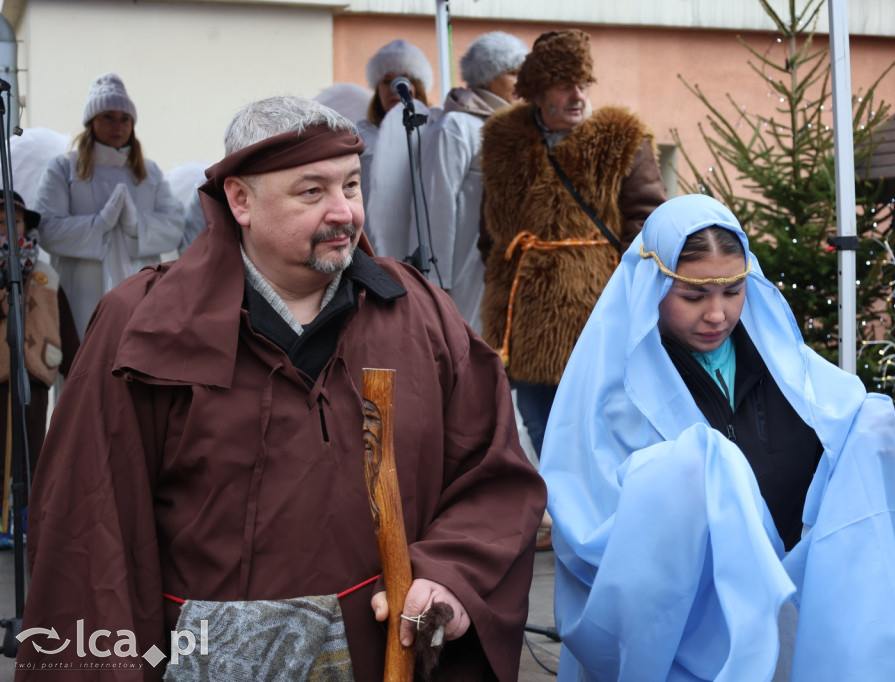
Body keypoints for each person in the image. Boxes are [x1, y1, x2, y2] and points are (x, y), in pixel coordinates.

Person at [17, 96, 546, 680]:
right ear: (240, 200)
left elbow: (492, 475)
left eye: (351, 185)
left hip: (381, 655)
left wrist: (450, 574)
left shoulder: (418, 313)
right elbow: (86, 532)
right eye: (312, 192)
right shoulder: (143, 326)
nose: (343, 212)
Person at [539, 194, 895, 680]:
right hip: (681, 629)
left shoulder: (779, 363)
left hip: (783, 616)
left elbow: (849, 430)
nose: (717, 315)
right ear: (653, 285)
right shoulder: (614, 390)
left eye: (733, 290)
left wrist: (887, 442)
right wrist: (692, 475)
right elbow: (591, 522)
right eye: (693, 295)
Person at [479, 28, 665, 459]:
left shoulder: (622, 138)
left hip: (597, 309)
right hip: (522, 317)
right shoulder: (502, 140)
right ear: (538, 93)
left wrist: (621, 287)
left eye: (583, 84)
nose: (578, 95)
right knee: (539, 422)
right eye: (565, 86)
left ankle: (606, 513)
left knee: (599, 422)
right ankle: (562, 512)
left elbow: (647, 220)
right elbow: (488, 232)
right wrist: (507, 278)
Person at [34, 72, 185, 340]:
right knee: (84, 361)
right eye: (108, 116)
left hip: (141, 291)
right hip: (81, 293)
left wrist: (136, 226)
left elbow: (174, 225)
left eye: (124, 118)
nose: (118, 125)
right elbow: (47, 228)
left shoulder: (148, 172)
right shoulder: (63, 168)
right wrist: (99, 225)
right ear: (92, 121)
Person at [421, 31, 529, 332]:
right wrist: (437, 282)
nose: (521, 83)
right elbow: (437, 202)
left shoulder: (521, 128)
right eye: (512, 73)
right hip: (465, 269)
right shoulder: (457, 126)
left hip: (509, 268)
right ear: (487, 76)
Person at [0, 191, 78, 491]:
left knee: (33, 447)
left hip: (35, 372)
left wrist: (77, 367)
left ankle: (27, 518)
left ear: (25, 226)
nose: (7, 228)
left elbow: (64, 323)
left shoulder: (47, 275)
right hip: (1, 374)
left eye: (14, 221)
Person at [358, 38, 433, 238]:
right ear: (377, 89)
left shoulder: (434, 131)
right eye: (386, 80)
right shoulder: (358, 135)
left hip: (419, 240)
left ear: (417, 87)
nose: (394, 88)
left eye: (403, 80)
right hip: (373, 243)